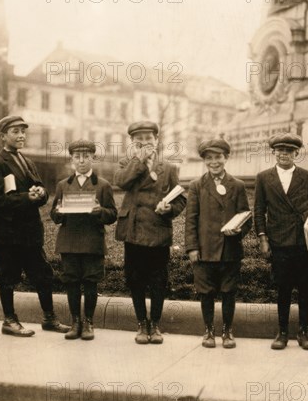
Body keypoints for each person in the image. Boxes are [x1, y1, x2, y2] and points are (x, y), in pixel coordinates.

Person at [0, 115, 69, 337]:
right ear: (3, 136)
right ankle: (9, 321)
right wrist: (27, 199)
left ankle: (49, 319)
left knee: (43, 274)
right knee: (7, 276)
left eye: (23, 131)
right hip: (8, 234)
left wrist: (42, 194)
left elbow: (39, 188)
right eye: (15, 132)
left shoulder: (27, 161)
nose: (21, 135)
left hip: (30, 232)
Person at [254, 133, 308, 350]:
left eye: (289, 151)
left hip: (305, 243)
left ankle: (303, 331)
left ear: (296, 153)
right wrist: (263, 238)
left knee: (306, 288)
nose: (284, 154)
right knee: (282, 289)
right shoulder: (264, 177)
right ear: (273, 152)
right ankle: (282, 333)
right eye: (280, 150)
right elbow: (258, 211)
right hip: (279, 242)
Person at [115, 121, 186, 344]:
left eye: (148, 138)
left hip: (158, 229)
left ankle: (155, 324)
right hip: (133, 229)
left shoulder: (169, 168)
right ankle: (141, 324)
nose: (144, 142)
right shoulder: (127, 162)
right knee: (135, 279)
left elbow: (181, 198)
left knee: (157, 280)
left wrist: (170, 209)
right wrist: (138, 160)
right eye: (139, 139)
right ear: (132, 143)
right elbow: (122, 182)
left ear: (156, 141)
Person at [185, 139, 252, 349]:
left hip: (229, 249)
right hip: (204, 250)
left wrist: (240, 229)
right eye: (209, 158)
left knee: (228, 291)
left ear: (226, 158)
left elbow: (246, 216)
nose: (214, 162)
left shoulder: (238, 185)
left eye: (218, 157)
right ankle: (208, 331)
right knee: (206, 292)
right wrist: (192, 248)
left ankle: (227, 331)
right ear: (204, 160)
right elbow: (191, 219)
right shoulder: (196, 185)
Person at [50, 140, 117, 340]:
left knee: (90, 283)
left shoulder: (103, 185)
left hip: (92, 242)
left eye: (86, 156)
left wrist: (100, 211)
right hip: (69, 241)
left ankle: (88, 322)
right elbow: (54, 215)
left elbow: (113, 214)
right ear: (71, 159)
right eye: (77, 157)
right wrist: (58, 211)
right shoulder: (63, 185)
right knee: (71, 282)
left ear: (92, 158)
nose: (81, 161)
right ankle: (75, 322)